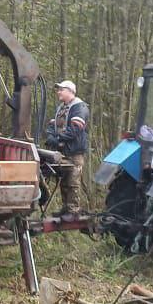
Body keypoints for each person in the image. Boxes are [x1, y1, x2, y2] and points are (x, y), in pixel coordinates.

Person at [46, 80, 89, 217]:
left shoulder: (79, 107)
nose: (58, 92)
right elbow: (52, 125)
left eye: (61, 89)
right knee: (64, 181)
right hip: (62, 151)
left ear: (70, 91)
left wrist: (58, 138)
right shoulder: (61, 108)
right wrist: (50, 136)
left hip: (74, 152)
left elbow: (75, 129)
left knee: (73, 181)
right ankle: (66, 208)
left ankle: (73, 210)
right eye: (58, 89)